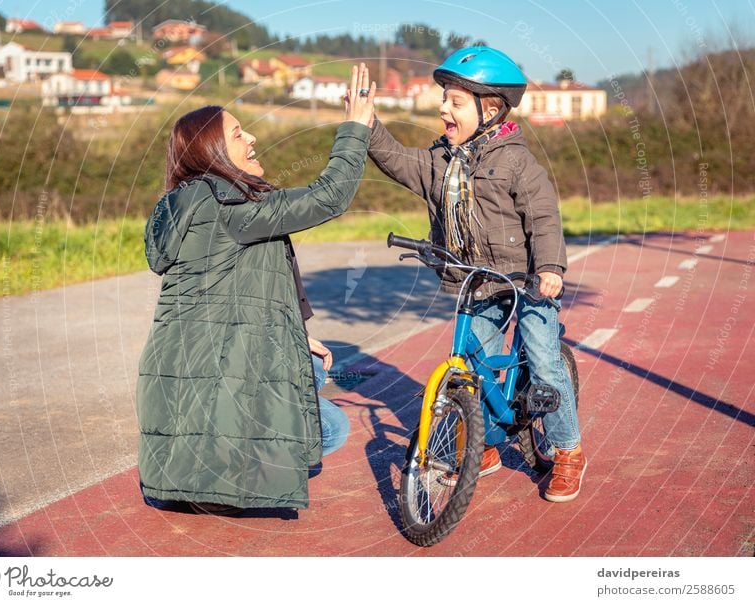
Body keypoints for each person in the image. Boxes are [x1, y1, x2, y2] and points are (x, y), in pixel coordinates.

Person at [137, 64, 375, 514]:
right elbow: (329, 196)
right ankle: (226, 478)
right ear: (214, 152)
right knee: (330, 426)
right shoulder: (230, 202)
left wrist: (295, 332)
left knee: (312, 375)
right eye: (239, 134)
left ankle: (199, 474)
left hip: (181, 368)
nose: (252, 140)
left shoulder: (190, 202)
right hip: (218, 367)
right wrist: (355, 129)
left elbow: (236, 287)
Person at [367, 47, 585, 502]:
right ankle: (484, 447)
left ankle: (567, 450)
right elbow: (400, 163)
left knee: (544, 364)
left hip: (526, 281)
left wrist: (549, 268)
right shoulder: (443, 160)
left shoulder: (515, 162)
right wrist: (368, 126)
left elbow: (543, 218)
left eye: (455, 101)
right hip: (478, 279)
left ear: (489, 109)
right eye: (444, 99)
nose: (442, 108)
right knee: (477, 368)